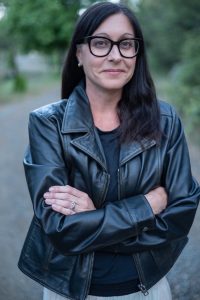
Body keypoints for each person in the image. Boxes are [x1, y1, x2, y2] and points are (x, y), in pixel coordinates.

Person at [18, 2, 200, 300]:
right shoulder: (47, 123)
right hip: (70, 291)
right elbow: (59, 228)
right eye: (101, 43)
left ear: (137, 54)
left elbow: (180, 217)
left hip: (146, 290)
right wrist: (146, 205)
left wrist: (95, 219)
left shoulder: (165, 121)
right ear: (79, 53)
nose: (115, 55)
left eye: (126, 44)